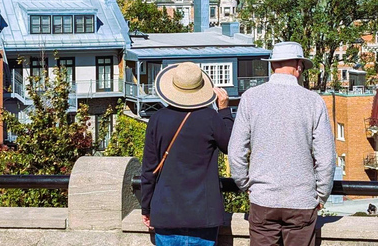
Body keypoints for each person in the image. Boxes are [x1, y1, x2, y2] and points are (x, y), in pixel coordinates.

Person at [228, 41, 336, 246]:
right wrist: (321, 195)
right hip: (301, 200)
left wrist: (246, 185)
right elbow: (326, 157)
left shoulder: (251, 97)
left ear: (272, 66)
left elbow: (235, 152)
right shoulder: (313, 101)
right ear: (299, 66)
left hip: (263, 199)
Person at [141, 61, 233, 246]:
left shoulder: (157, 119)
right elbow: (230, 145)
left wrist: (146, 207)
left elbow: (149, 170)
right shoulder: (210, 118)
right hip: (203, 213)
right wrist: (224, 110)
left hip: (166, 212)